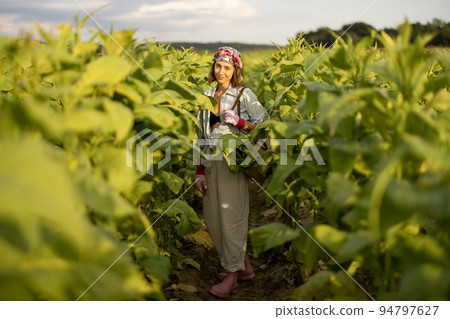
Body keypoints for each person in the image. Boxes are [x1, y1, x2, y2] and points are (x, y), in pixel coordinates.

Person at [194, 46, 268, 298]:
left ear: (235, 69)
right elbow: (200, 137)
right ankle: (242, 266)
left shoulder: (245, 95)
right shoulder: (205, 95)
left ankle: (232, 277)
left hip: (233, 164)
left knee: (231, 218)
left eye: (227, 67)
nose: (221, 71)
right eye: (218, 66)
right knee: (214, 218)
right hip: (211, 163)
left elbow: (265, 128)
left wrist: (240, 122)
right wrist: (199, 170)